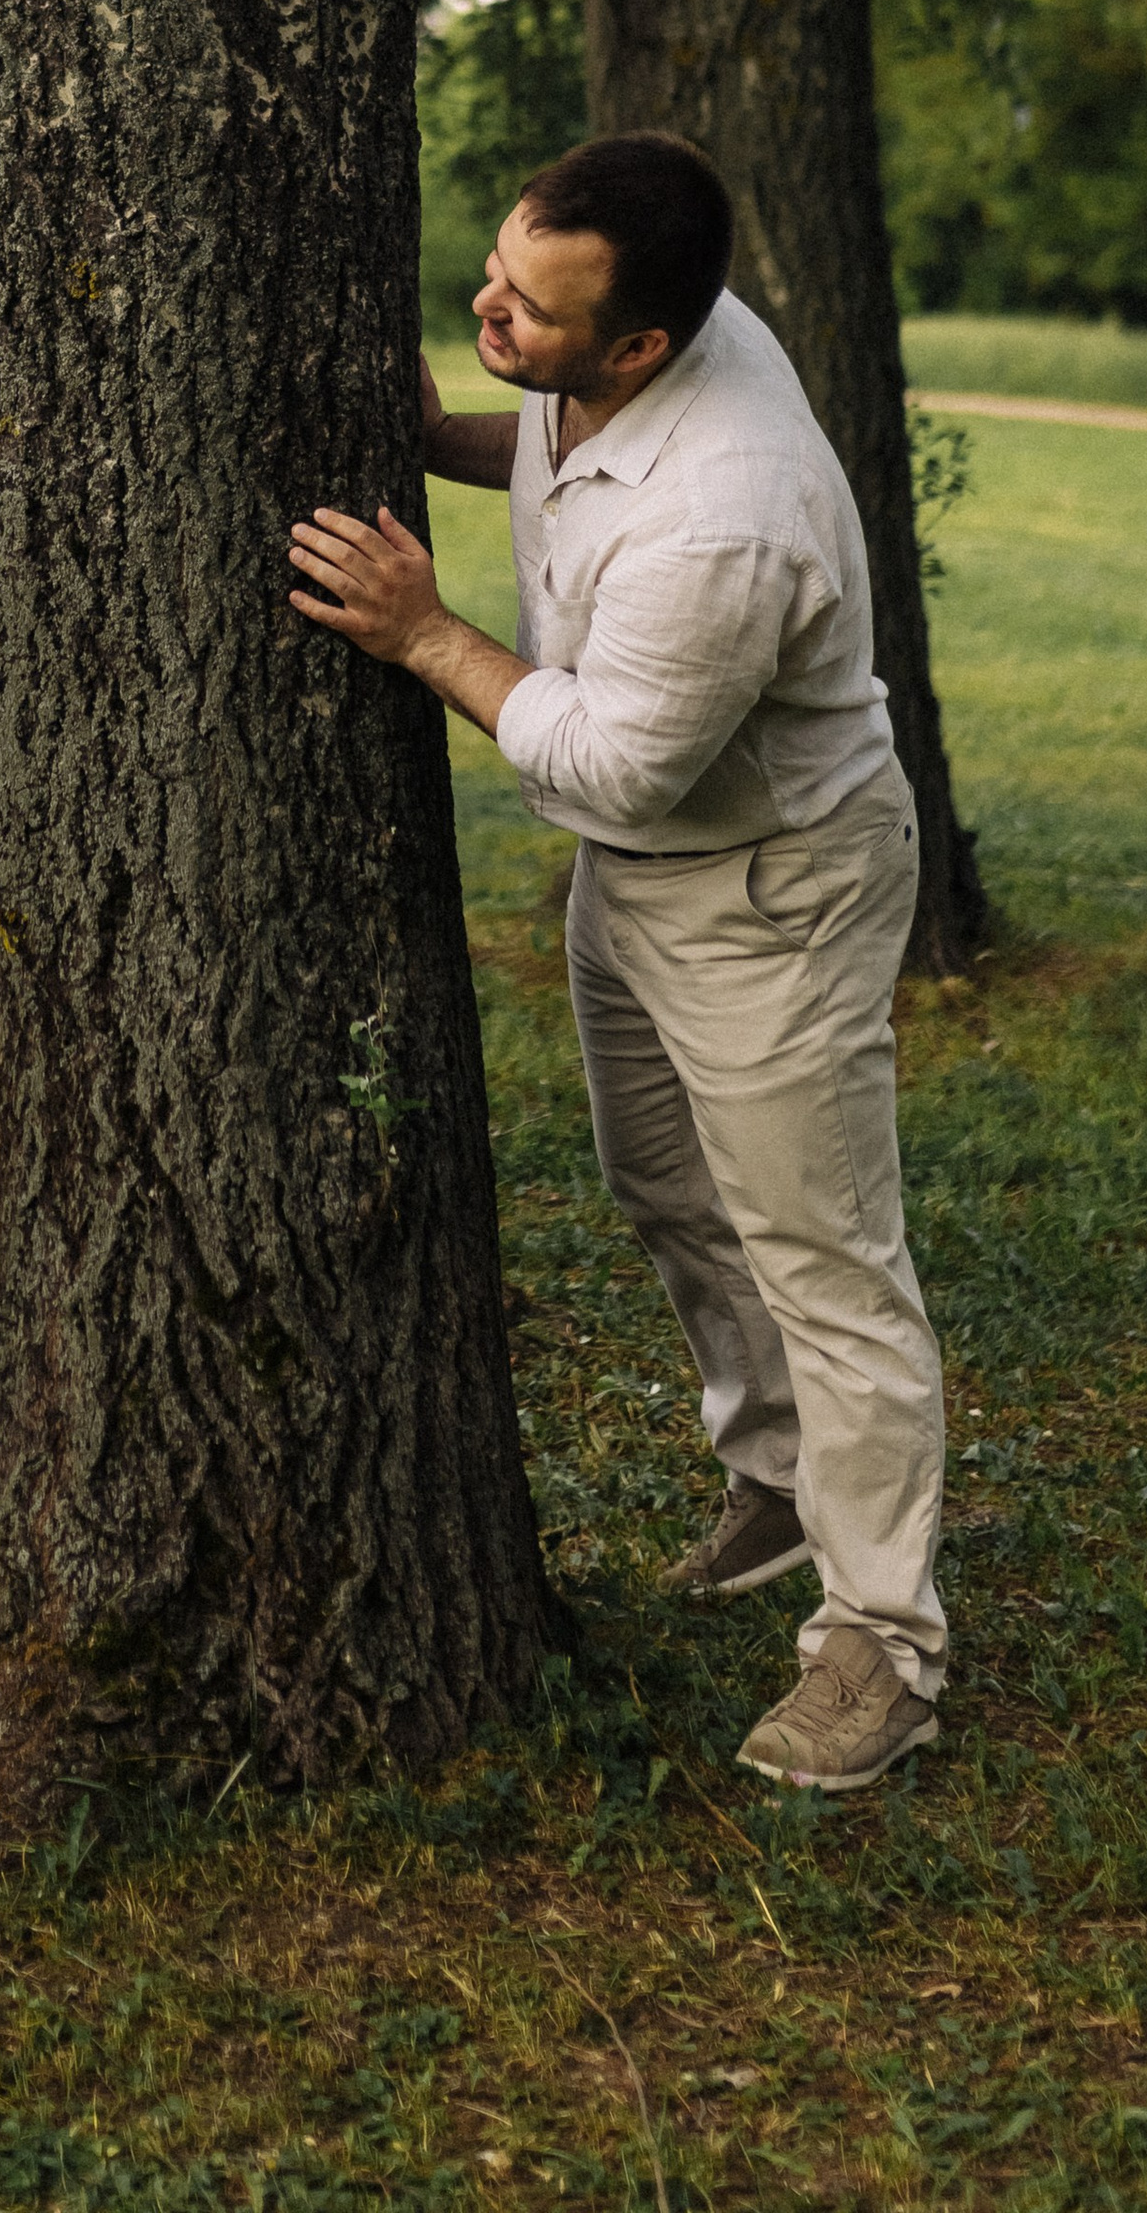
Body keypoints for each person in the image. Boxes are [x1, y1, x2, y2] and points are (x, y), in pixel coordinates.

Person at [287, 132, 946, 1795]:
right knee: (663, 1185)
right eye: (499, 271)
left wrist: (428, 633)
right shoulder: (654, 323)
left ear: (644, 347)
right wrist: (454, 433)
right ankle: (784, 1482)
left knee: (826, 1257)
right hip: (646, 875)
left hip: (764, 883)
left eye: (533, 311)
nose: (490, 307)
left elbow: (606, 761)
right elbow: (569, 445)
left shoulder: (731, 516)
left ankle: (883, 1641)